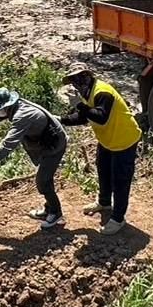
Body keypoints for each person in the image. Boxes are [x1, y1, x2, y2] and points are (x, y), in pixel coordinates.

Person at [59, 64, 141, 236]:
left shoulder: (102, 92)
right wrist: (61, 120)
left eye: (79, 78)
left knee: (120, 180)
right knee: (103, 171)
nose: (76, 83)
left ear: (88, 76)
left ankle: (118, 219)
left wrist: (79, 105)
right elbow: (84, 117)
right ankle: (104, 202)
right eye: (73, 80)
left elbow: (101, 117)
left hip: (123, 140)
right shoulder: (86, 94)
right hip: (107, 140)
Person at [0, 88, 69, 230]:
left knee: (43, 181)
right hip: (47, 143)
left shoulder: (22, 115)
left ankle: (56, 214)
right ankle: (49, 208)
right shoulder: (18, 105)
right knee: (45, 179)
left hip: (54, 146)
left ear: (6, 106)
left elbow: (9, 142)